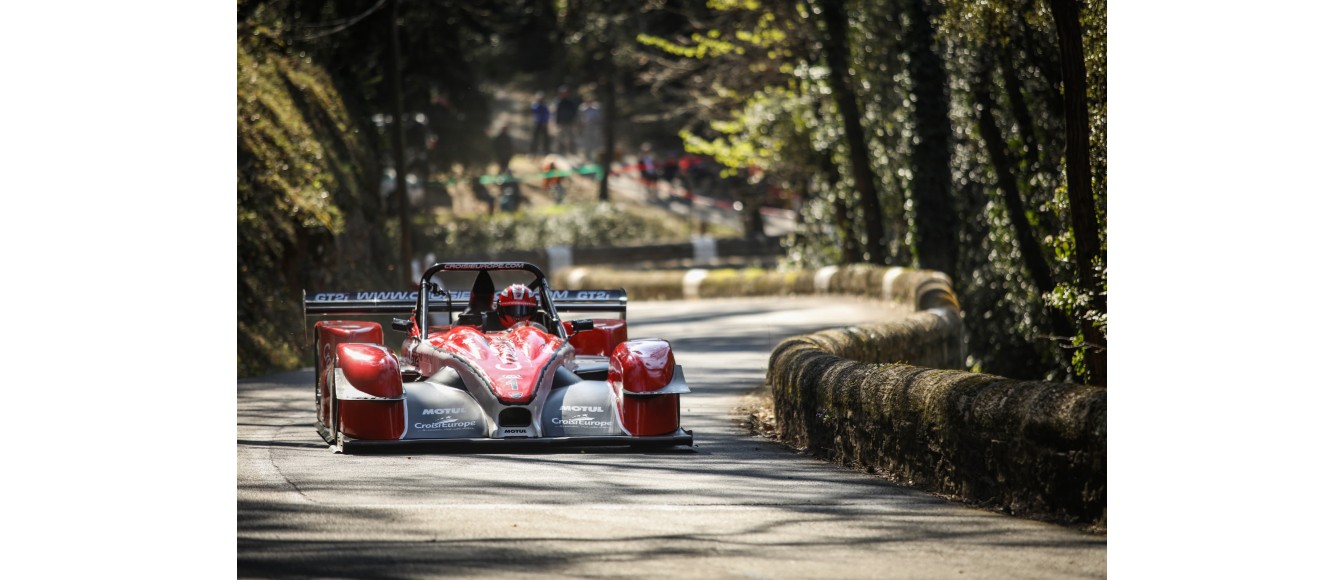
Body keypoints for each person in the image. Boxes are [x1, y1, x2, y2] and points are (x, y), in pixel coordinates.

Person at [553, 86, 580, 156]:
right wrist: (556, 122)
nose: (564, 94)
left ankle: (572, 153)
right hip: (561, 123)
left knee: (571, 139)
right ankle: (561, 153)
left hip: (570, 123)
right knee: (560, 138)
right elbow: (556, 113)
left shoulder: (571, 102)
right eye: (563, 93)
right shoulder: (558, 102)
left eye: (566, 93)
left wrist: (575, 121)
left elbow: (575, 112)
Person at [579, 95, 602, 161]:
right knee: (586, 142)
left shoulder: (596, 108)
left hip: (595, 127)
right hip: (586, 128)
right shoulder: (582, 108)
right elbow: (580, 118)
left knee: (595, 142)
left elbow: (599, 118)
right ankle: (587, 156)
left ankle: (595, 157)